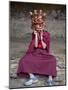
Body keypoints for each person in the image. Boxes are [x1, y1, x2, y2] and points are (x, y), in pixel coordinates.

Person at [17, 9, 57, 86]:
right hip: (35, 52)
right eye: (37, 27)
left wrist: (41, 37)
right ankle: (32, 77)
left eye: (40, 26)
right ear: (35, 27)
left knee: (52, 60)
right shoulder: (34, 33)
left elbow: (45, 46)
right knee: (24, 60)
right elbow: (35, 46)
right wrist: (36, 36)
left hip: (44, 52)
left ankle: (50, 78)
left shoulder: (46, 34)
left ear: (43, 26)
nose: (38, 28)